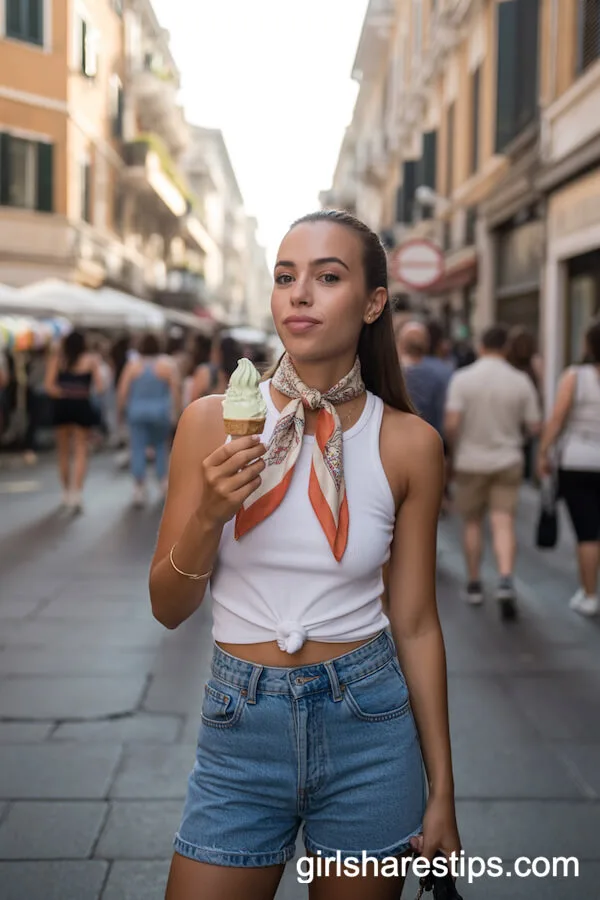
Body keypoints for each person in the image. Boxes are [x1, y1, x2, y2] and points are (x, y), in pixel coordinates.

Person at [151, 209, 460, 899]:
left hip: (370, 730)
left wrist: (443, 789)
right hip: (240, 729)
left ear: (373, 303)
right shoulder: (209, 423)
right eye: (285, 276)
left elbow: (416, 624)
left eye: (327, 277)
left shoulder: (411, 444)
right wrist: (209, 514)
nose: (300, 294)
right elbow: (167, 607)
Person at [444, 325, 542, 618]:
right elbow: (534, 425)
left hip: (470, 461)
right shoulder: (520, 380)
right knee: (503, 522)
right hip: (508, 460)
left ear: (481, 347)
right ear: (506, 348)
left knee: (472, 523)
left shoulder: (462, 378)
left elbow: (451, 424)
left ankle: (474, 583)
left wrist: (454, 451)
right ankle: (505, 579)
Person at [537, 318, 600, 617]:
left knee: (587, 532)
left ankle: (589, 595)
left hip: (577, 462)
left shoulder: (576, 376)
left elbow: (557, 418)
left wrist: (543, 452)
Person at [117, 333, 180, 507]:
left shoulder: (133, 365)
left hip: (137, 412)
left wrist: (120, 413)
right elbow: (175, 390)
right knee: (160, 447)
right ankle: (162, 482)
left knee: (137, 448)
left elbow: (122, 391)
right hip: (160, 413)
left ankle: (139, 487)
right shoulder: (167, 365)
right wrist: (177, 412)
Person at [44, 331, 104, 511]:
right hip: (81, 405)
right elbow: (100, 387)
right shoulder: (91, 360)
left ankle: (65, 491)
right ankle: (77, 493)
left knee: (63, 451)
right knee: (80, 450)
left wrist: (64, 392)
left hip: (62, 406)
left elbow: (49, 386)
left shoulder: (58, 359)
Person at [397, 321, 450, 435]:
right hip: (430, 436)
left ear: (401, 344)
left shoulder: (390, 371)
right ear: (426, 344)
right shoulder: (443, 372)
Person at [506, 326, 543, 481]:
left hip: (512, 411)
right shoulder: (535, 363)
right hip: (528, 411)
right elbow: (542, 386)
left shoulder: (509, 365)